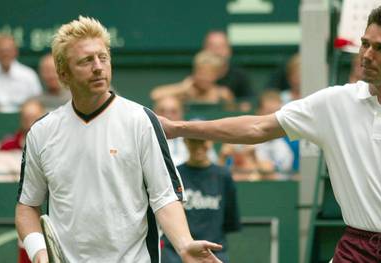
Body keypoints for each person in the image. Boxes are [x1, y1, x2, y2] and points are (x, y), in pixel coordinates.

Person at [160, 6, 381, 262]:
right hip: (356, 247)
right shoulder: (333, 102)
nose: (367, 55)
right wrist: (179, 128)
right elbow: (257, 127)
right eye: (365, 43)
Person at [15, 16, 222, 263]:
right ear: (63, 73)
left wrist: (185, 244)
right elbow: (27, 206)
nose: (98, 67)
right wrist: (39, 253)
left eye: (103, 57)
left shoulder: (141, 120)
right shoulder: (42, 132)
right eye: (86, 60)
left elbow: (164, 197)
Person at [161, 137, 241, 263]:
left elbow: (230, 220)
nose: (198, 146)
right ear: (185, 142)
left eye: (202, 141)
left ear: (210, 142)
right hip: (176, 254)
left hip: (214, 253)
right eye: (193, 141)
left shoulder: (223, 176)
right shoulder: (174, 174)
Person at [151, 50, 234, 107]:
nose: (204, 78)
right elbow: (155, 95)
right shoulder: (186, 91)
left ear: (216, 75)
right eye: (201, 73)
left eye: (209, 74)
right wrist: (183, 88)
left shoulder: (222, 94)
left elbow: (232, 114)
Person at [154, 96, 218, 166]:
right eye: (162, 111)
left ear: (182, 113)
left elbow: (212, 163)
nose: (168, 115)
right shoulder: (148, 138)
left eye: (173, 112)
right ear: (154, 113)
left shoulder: (194, 135)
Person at [0, 35, 42, 113]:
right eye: (2, 51)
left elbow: (37, 102)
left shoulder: (29, 75)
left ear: (15, 52)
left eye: (8, 50)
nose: (5, 54)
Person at [202, 31, 252, 100]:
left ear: (229, 51)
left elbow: (249, 105)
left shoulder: (239, 76)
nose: (217, 51)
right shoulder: (195, 76)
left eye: (222, 46)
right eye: (212, 46)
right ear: (204, 50)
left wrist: (230, 100)